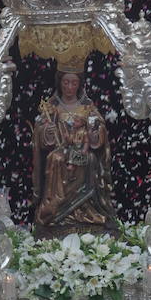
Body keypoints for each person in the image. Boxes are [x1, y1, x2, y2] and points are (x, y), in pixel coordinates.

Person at [32, 67, 116, 233]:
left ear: (79, 84)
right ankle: (55, 208)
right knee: (55, 158)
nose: (70, 87)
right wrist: (46, 132)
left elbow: (99, 132)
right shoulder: (52, 107)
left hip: (81, 151)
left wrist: (93, 133)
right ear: (60, 83)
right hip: (60, 150)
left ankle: (85, 209)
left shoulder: (87, 107)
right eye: (66, 82)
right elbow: (40, 133)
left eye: (74, 83)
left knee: (90, 159)